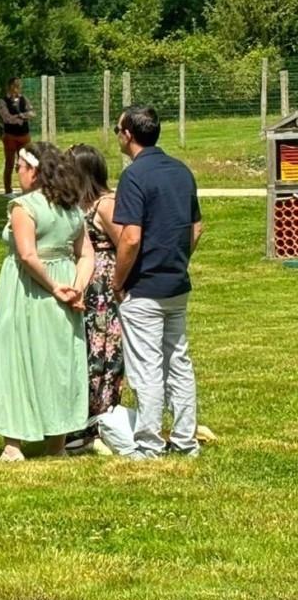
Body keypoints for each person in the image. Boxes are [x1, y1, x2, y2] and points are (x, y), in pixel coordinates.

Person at [0, 142, 94, 462]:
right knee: (56, 362)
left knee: (16, 358)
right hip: (63, 287)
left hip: (29, 290)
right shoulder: (71, 207)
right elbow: (86, 254)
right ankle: (56, 444)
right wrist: (77, 286)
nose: (17, 171)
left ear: (34, 171)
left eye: (20, 166)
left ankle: (14, 444)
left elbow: (28, 254)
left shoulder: (24, 207)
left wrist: (58, 287)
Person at [111, 105, 203, 459]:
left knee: (147, 367)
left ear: (129, 135)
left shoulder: (135, 177)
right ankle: (185, 439)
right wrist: (179, 258)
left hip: (144, 288)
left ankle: (149, 444)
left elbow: (131, 238)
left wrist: (119, 281)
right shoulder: (181, 171)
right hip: (177, 285)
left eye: (118, 129)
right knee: (178, 362)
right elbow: (196, 226)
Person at [60, 144, 125, 454]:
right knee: (83, 349)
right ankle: (79, 422)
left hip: (103, 286)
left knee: (103, 350)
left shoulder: (106, 204)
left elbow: (126, 243)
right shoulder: (75, 205)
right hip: (83, 284)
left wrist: (117, 282)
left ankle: (101, 419)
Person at [0, 77, 35, 198]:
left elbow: (32, 113)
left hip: (24, 136)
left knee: (25, 163)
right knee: (9, 163)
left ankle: (26, 188)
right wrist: (22, 117)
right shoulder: (2, 101)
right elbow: (6, 118)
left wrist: (20, 115)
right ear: (10, 87)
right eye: (15, 86)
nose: (17, 89)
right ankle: (8, 191)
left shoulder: (24, 99)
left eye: (19, 86)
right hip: (10, 136)